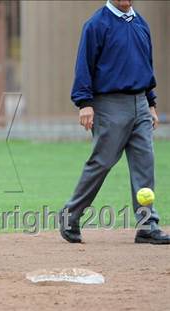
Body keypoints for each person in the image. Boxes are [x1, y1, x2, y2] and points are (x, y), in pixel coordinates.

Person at [59, 0, 170, 244]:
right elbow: (84, 65)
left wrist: (151, 103)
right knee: (102, 162)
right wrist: (84, 103)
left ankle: (147, 225)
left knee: (145, 164)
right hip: (109, 104)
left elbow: (146, 66)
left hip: (140, 103)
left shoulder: (141, 23)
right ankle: (70, 216)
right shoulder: (97, 24)